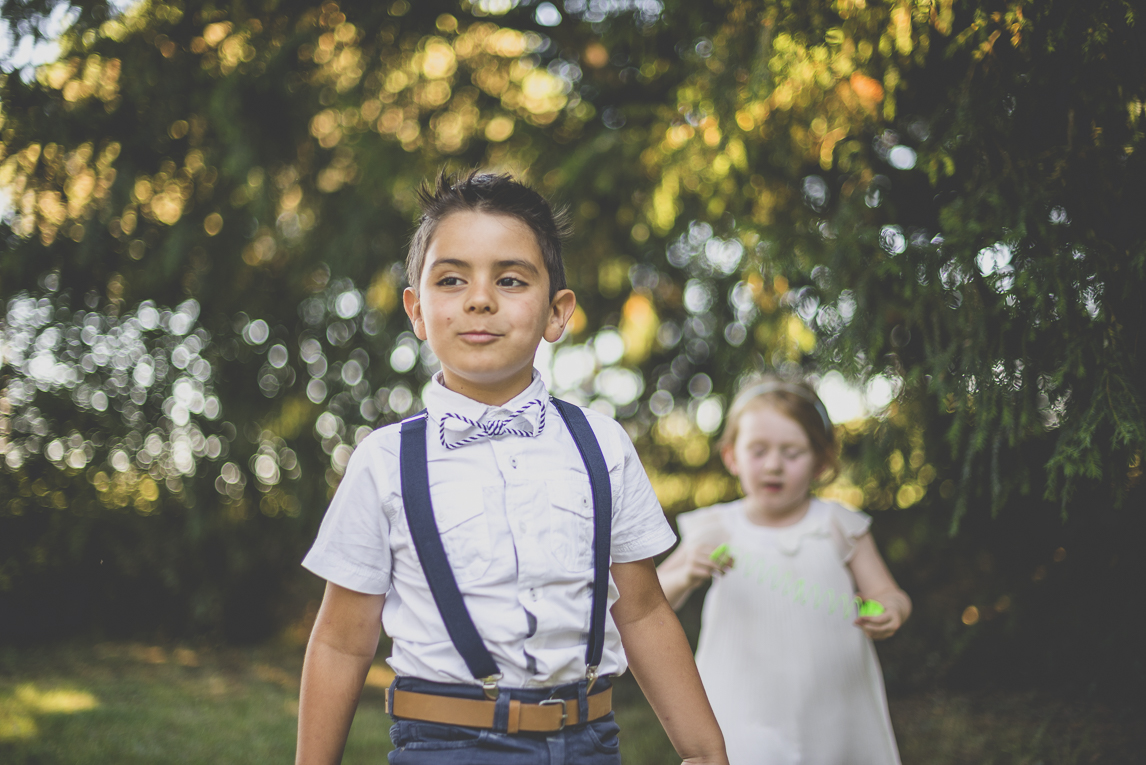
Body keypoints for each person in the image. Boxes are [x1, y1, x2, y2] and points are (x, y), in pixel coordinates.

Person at [296, 170, 728, 765]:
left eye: (509, 279)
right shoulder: (386, 462)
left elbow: (644, 610)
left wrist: (706, 752)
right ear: (418, 312)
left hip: (589, 741)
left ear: (556, 313)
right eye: (452, 279)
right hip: (445, 744)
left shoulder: (601, 445)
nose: (480, 298)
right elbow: (343, 642)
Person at [657, 378, 911, 765]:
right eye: (758, 451)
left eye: (791, 452)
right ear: (732, 457)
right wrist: (684, 573)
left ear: (821, 461)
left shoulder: (839, 525)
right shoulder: (715, 527)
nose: (774, 465)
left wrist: (889, 610)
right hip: (742, 704)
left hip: (834, 704)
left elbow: (889, 594)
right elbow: (650, 603)